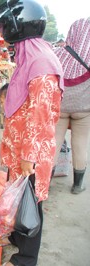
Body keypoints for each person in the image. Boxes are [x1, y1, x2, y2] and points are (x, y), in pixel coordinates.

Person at [0, 1, 64, 265]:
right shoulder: (29, 57)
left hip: (31, 155)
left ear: (18, 29)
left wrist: (28, 158)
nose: (2, 34)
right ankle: (17, 240)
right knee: (19, 199)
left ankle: (26, 258)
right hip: (20, 150)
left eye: (4, 28)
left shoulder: (41, 64)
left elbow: (41, 118)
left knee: (31, 204)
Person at [53, 18, 90, 194]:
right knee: (80, 144)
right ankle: (77, 186)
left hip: (60, 107)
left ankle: (44, 184)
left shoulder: (58, 54)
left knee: (53, 144)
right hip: (84, 110)